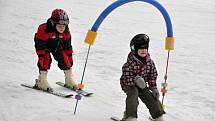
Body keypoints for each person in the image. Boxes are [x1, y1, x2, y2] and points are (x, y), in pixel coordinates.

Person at [120, 34, 165, 121]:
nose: (143, 50)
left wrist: (154, 87)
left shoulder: (150, 62)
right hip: (128, 85)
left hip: (142, 85)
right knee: (133, 95)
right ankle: (130, 116)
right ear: (134, 49)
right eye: (140, 48)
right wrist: (136, 79)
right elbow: (126, 76)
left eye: (145, 48)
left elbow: (152, 75)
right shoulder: (130, 63)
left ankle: (158, 116)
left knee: (150, 97)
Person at [33, 9, 77, 91]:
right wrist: (41, 56)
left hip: (56, 44)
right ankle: (41, 80)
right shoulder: (43, 29)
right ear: (53, 23)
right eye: (59, 26)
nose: (62, 28)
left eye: (64, 26)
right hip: (44, 45)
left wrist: (70, 57)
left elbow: (67, 46)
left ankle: (69, 79)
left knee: (65, 59)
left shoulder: (66, 32)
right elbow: (39, 46)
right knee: (45, 60)